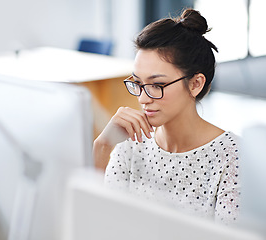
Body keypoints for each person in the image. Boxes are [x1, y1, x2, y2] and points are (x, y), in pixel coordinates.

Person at [93, 8, 240, 224]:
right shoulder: (130, 144)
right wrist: (103, 146)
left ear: (195, 84)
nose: (142, 99)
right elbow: (100, 224)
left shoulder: (233, 157)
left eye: (157, 85)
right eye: (138, 83)